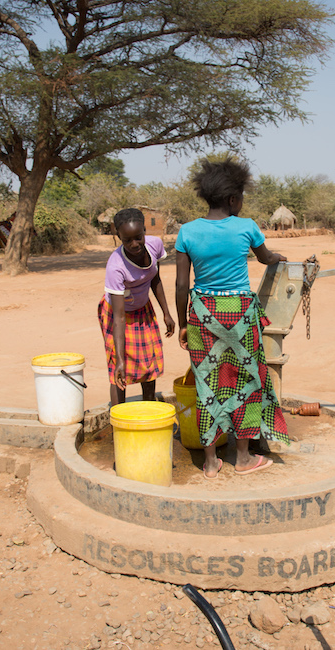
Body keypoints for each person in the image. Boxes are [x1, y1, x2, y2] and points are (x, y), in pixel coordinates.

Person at [175, 157, 290, 479]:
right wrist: (278, 257)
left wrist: (184, 324)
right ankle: (243, 458)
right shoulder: (247, 227)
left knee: (208, 385)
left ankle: (211, 462)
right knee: (246, 382)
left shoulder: (187, 231)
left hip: (202, 316)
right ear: (232, 199)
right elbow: (267, 258)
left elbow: (182, 284)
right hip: (240, 316)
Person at [99, 208, 176, 406]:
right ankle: (118, 422)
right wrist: (121, 360)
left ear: (144, 231)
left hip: (143, 309)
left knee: (149, 363)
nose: (135, 244)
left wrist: (166, 313)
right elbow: (119, 318)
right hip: (117, 314)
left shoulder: (155, 245)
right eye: (127, 240)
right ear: (119, 238)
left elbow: (155, 278)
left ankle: (149, 411)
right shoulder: (116, 266)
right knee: (119, 369)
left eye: (138, 237)